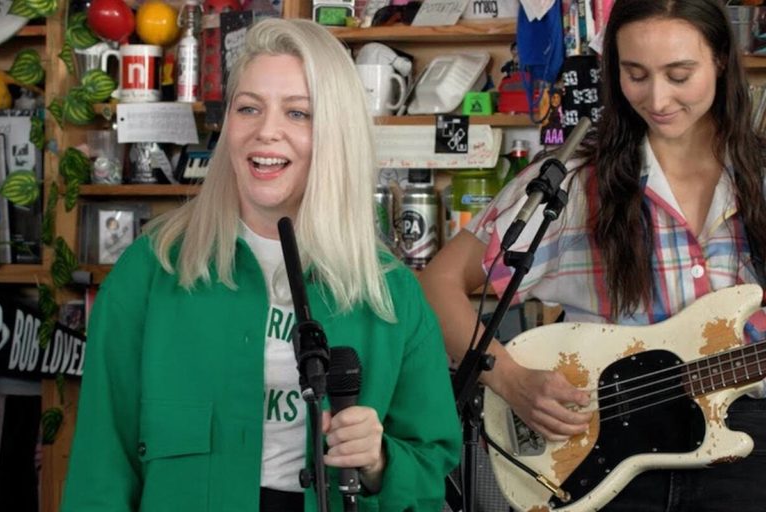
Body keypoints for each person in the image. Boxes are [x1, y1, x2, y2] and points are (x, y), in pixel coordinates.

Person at [61, 18, 461, 512]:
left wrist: (379, 460)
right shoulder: (151, 271)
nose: (266, 131)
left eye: (298, 113)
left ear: (336, 135)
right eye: (248, 108)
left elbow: (430, 469)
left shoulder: (391, 293)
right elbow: (102, 465)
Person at [420, 0, 766, 510]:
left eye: (679, 74)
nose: (657, 96)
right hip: (605, 461)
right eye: (635, 74)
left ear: (719, 59)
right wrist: (510, 378)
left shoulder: (758, 176)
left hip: (748, 453)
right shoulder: (576, 182)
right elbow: (435, 284)